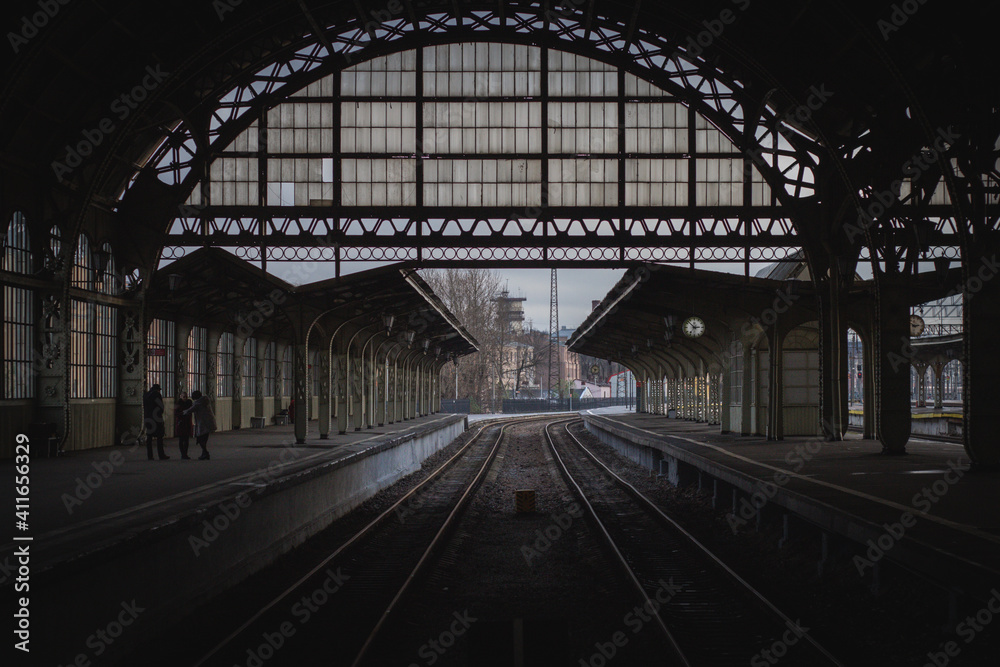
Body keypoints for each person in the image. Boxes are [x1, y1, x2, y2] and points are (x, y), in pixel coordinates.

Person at [183, 390, 217, 460]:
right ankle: (204, 453)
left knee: (201, 438)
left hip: (203, 423)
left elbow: (191, 410)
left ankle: (205, 453)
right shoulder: (204, 401)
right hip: (207, 422)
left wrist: (183, 412)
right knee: (203, 438)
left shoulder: (198, 403)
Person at [142, 383, 168, 460]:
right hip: (156, 419)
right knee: (159, 436)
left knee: (149, 437)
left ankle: (150, 456)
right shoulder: (157, 395)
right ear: (158, 390)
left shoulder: (145, 395)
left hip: (147, 418)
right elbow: (161, 407)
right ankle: (161, 455)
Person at [174, 392, 194, 459]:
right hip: (181, 423)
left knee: (186, 440)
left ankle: (185, 454)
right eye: (183, 397)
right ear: (181, 397)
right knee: (182, 439)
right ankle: (183, 454)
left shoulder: (187, 403)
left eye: (186, 397)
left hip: (186, 423)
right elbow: (176, 413)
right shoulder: (179, 404)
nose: (185, 398)